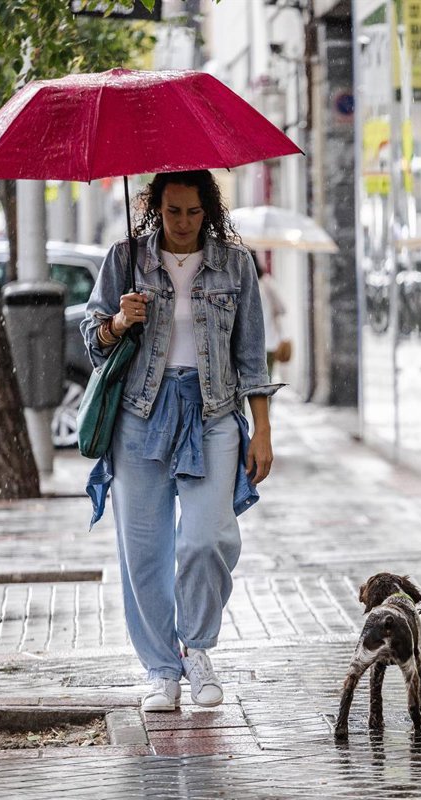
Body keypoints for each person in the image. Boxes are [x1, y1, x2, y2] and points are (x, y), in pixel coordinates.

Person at [81, 170, 280, 713]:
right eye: (174, 213)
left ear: (208, 210)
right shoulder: (125, 259)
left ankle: (196, 648)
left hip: (213, 412)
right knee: (144, 554)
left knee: (208, 539)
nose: (184, 223)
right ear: (156, 209)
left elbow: (251, 356)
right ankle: (162, 671)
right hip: (140, 416)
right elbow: (93, 343)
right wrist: (121, 320)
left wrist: (261, 429)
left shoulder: (235, 265)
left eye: (194, 212)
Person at [251, 252, 288, 379]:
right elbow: (282, 309)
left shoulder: (238, 284)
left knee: (246, 384)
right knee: (266, 381)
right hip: (268, 341)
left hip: (246, 344)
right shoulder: (267, 284)